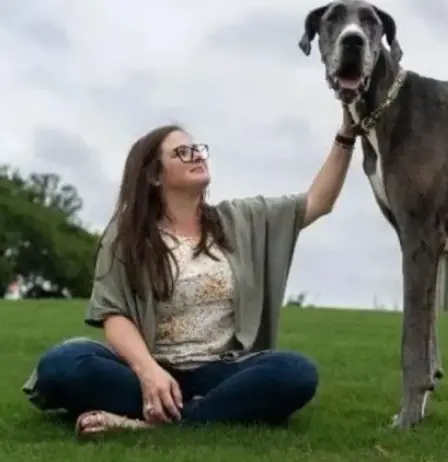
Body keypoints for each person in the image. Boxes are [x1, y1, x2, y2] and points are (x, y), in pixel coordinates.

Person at [21, 107, 358, 437]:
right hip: (146, 370)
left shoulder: (240, 220)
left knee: (295, 372)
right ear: (154, 175)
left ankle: (154, 422)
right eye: (182, 153)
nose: (196, 155)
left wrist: (346, 135)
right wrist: (149, 372)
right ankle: (197, 411)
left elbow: (318, 202)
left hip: (219, 371)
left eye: (197, 149)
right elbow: (114, 315)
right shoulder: (127, 234)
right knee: (61, 364)